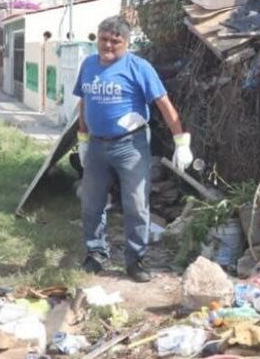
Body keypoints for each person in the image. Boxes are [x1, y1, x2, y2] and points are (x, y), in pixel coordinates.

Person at [74, 16, 193, 283]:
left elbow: (163, 103)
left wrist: (180, 142)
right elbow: (83, 101)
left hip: (131, 146)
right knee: (91, 203)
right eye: (104, 39)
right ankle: (96, 254)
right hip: (96, 145)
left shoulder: (139, 67)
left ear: (126, 43)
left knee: (136, 205)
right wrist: (82, 138)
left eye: (115, 42)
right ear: (98, 38)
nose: (108, 46)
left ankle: (135, 260)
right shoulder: (88, 65)